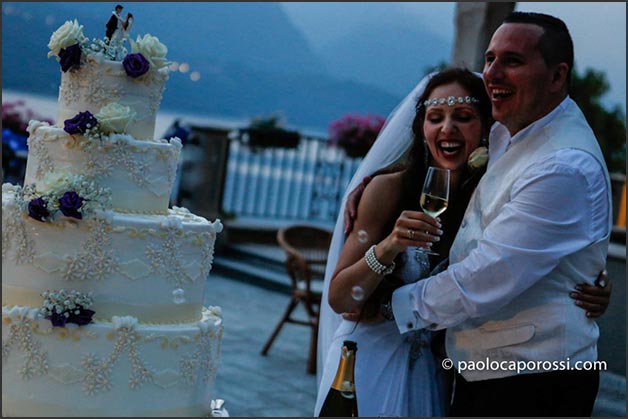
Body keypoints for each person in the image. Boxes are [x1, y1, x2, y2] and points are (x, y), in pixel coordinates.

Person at [378, 12, 612, 416]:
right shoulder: (508, 128)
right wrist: (378, 183)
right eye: (489, 59)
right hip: (482, 370)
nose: (493, 73)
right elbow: (440, 122)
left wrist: (386, 307)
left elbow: (484, 279)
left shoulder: (563, 166)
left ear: (557, 77)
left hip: (531, 383)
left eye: (513, 61)